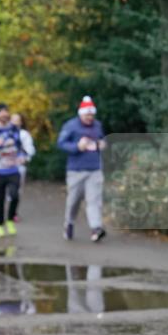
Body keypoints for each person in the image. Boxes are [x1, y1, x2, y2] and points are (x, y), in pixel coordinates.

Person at [57, 96, 106, 242]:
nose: (90, 117)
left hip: (94, 169)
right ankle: (69, 223)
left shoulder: (97, 125)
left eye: (92, 115)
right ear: (81, 113)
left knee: (94, 200)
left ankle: (96, 228)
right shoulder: (70, 126)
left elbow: (102, 139)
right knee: (74, 201)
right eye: (87, 115)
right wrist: (77, 147)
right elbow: (61, 143)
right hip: (76, 170)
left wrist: (102, 144)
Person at [0, 104, 26, 238]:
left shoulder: (14, 129)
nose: (4, 114)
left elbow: (19, 146)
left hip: (13, 168)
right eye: (1, 112)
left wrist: (21, 156)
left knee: (14, 195)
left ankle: (10, 219)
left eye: (6, 111)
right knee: (0, 199)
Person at [11, 113, 36, 191]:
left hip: (18, 166)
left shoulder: (24, 134)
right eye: (12, 120)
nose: (14, 122)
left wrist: (25, 158)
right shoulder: (3, 132)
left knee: (15, 192)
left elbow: (30, 149)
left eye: (16, 120)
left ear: (21, 122)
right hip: (4, 166)